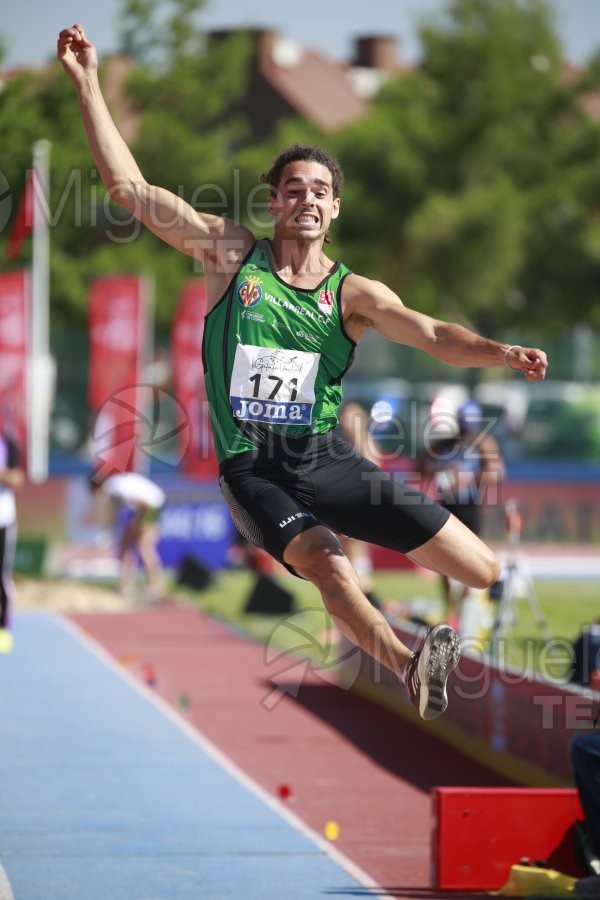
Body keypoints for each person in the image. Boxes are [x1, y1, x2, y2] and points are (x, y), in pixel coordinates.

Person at [58, 24, 548, 720]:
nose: (308, 199)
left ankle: (423, 641)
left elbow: (435, 335)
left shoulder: (355, 295)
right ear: (274, 204)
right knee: (325, 559)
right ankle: (411, 666)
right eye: (294, 189)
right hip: (253, 466)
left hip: (324, 457)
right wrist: (87, 84)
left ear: (335, 207)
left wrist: (501, 353)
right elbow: (128, 188)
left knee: (483, 569)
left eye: (320, 190)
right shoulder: (231, 255)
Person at [418, 399, 505, 623]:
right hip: (447, 505)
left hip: (469, 507)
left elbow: (497, 472)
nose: (467, 432)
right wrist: (439, 468)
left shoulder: (483, 444)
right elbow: (421, 465)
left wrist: (469, 478)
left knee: (471, 556)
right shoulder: (444, 444)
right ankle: (450, 606)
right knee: (442, 556)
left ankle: (465, 606)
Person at [89, 471, 167, 602]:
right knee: (126, 547)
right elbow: (115, 514)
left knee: (144, 548)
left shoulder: (114, 489)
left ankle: (155, 587)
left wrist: (137, 522)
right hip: (144, 507)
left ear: (97, 487)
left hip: (149, 506)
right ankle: (125, 585)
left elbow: (143, 503)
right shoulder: (114, 487)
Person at [0, 430, 24, 653]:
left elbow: (17, 478)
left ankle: (3, 627)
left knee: (1, 575)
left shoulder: (7, 443)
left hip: (3, 520)